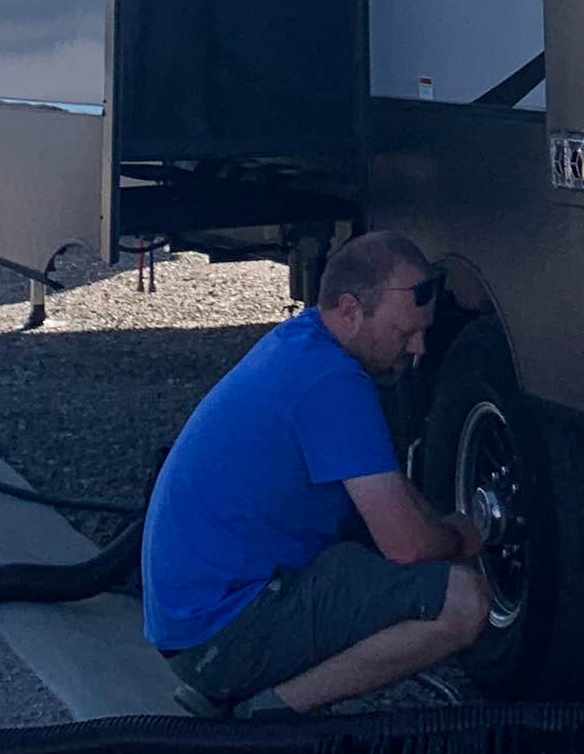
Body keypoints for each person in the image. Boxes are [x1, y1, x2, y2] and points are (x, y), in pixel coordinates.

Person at [146, 230, 500, 716]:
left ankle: (239, 690)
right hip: (216, 638)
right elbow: (407, 546)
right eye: (405, 333)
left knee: (357, 559)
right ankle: (275, 719)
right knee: (463, 602)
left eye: (423, 332)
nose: (418, 348)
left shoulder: (302, 346)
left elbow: (390, 489)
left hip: (198, 622)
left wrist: (434, 526)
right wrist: (459, 538)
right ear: (351, 310)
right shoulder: (333, 385)